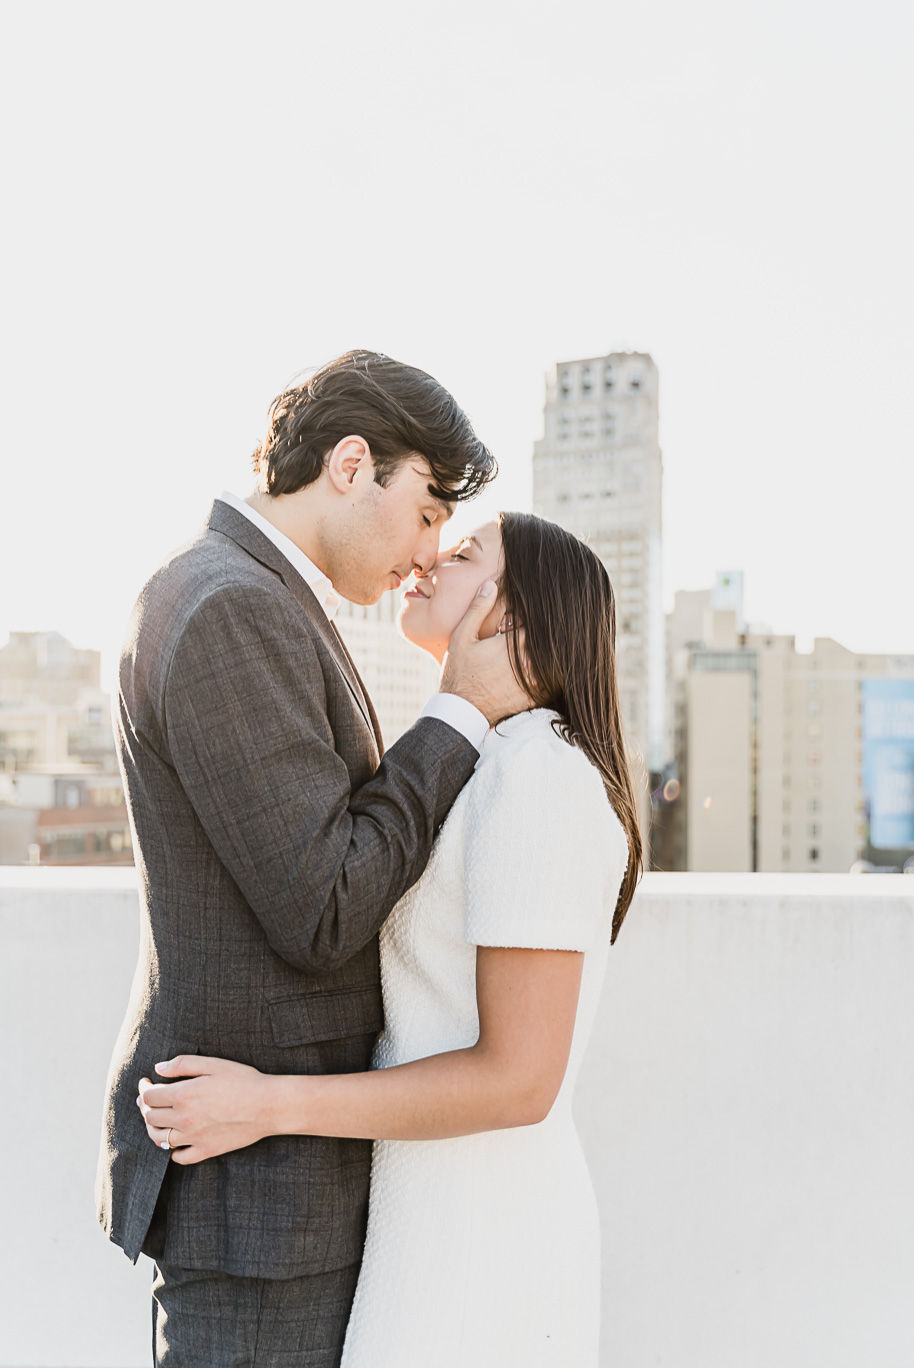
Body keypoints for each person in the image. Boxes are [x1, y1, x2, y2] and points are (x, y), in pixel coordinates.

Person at [97, 350, 528, 1366]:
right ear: (349, 464)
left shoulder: (250, 593)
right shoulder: (230, 605)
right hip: (255, 1201)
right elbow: (325, 903)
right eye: (427, 510)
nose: (428, 553)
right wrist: (461, 708)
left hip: (273, 1181)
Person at [137, 511, 643, 1367]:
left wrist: (267, 1104)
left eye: (461, 553)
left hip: (482, 1235)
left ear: (510, 613)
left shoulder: (541, 778)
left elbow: (520, 1080)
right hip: (428, 1211)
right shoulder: (491, 762)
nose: (426, 564)